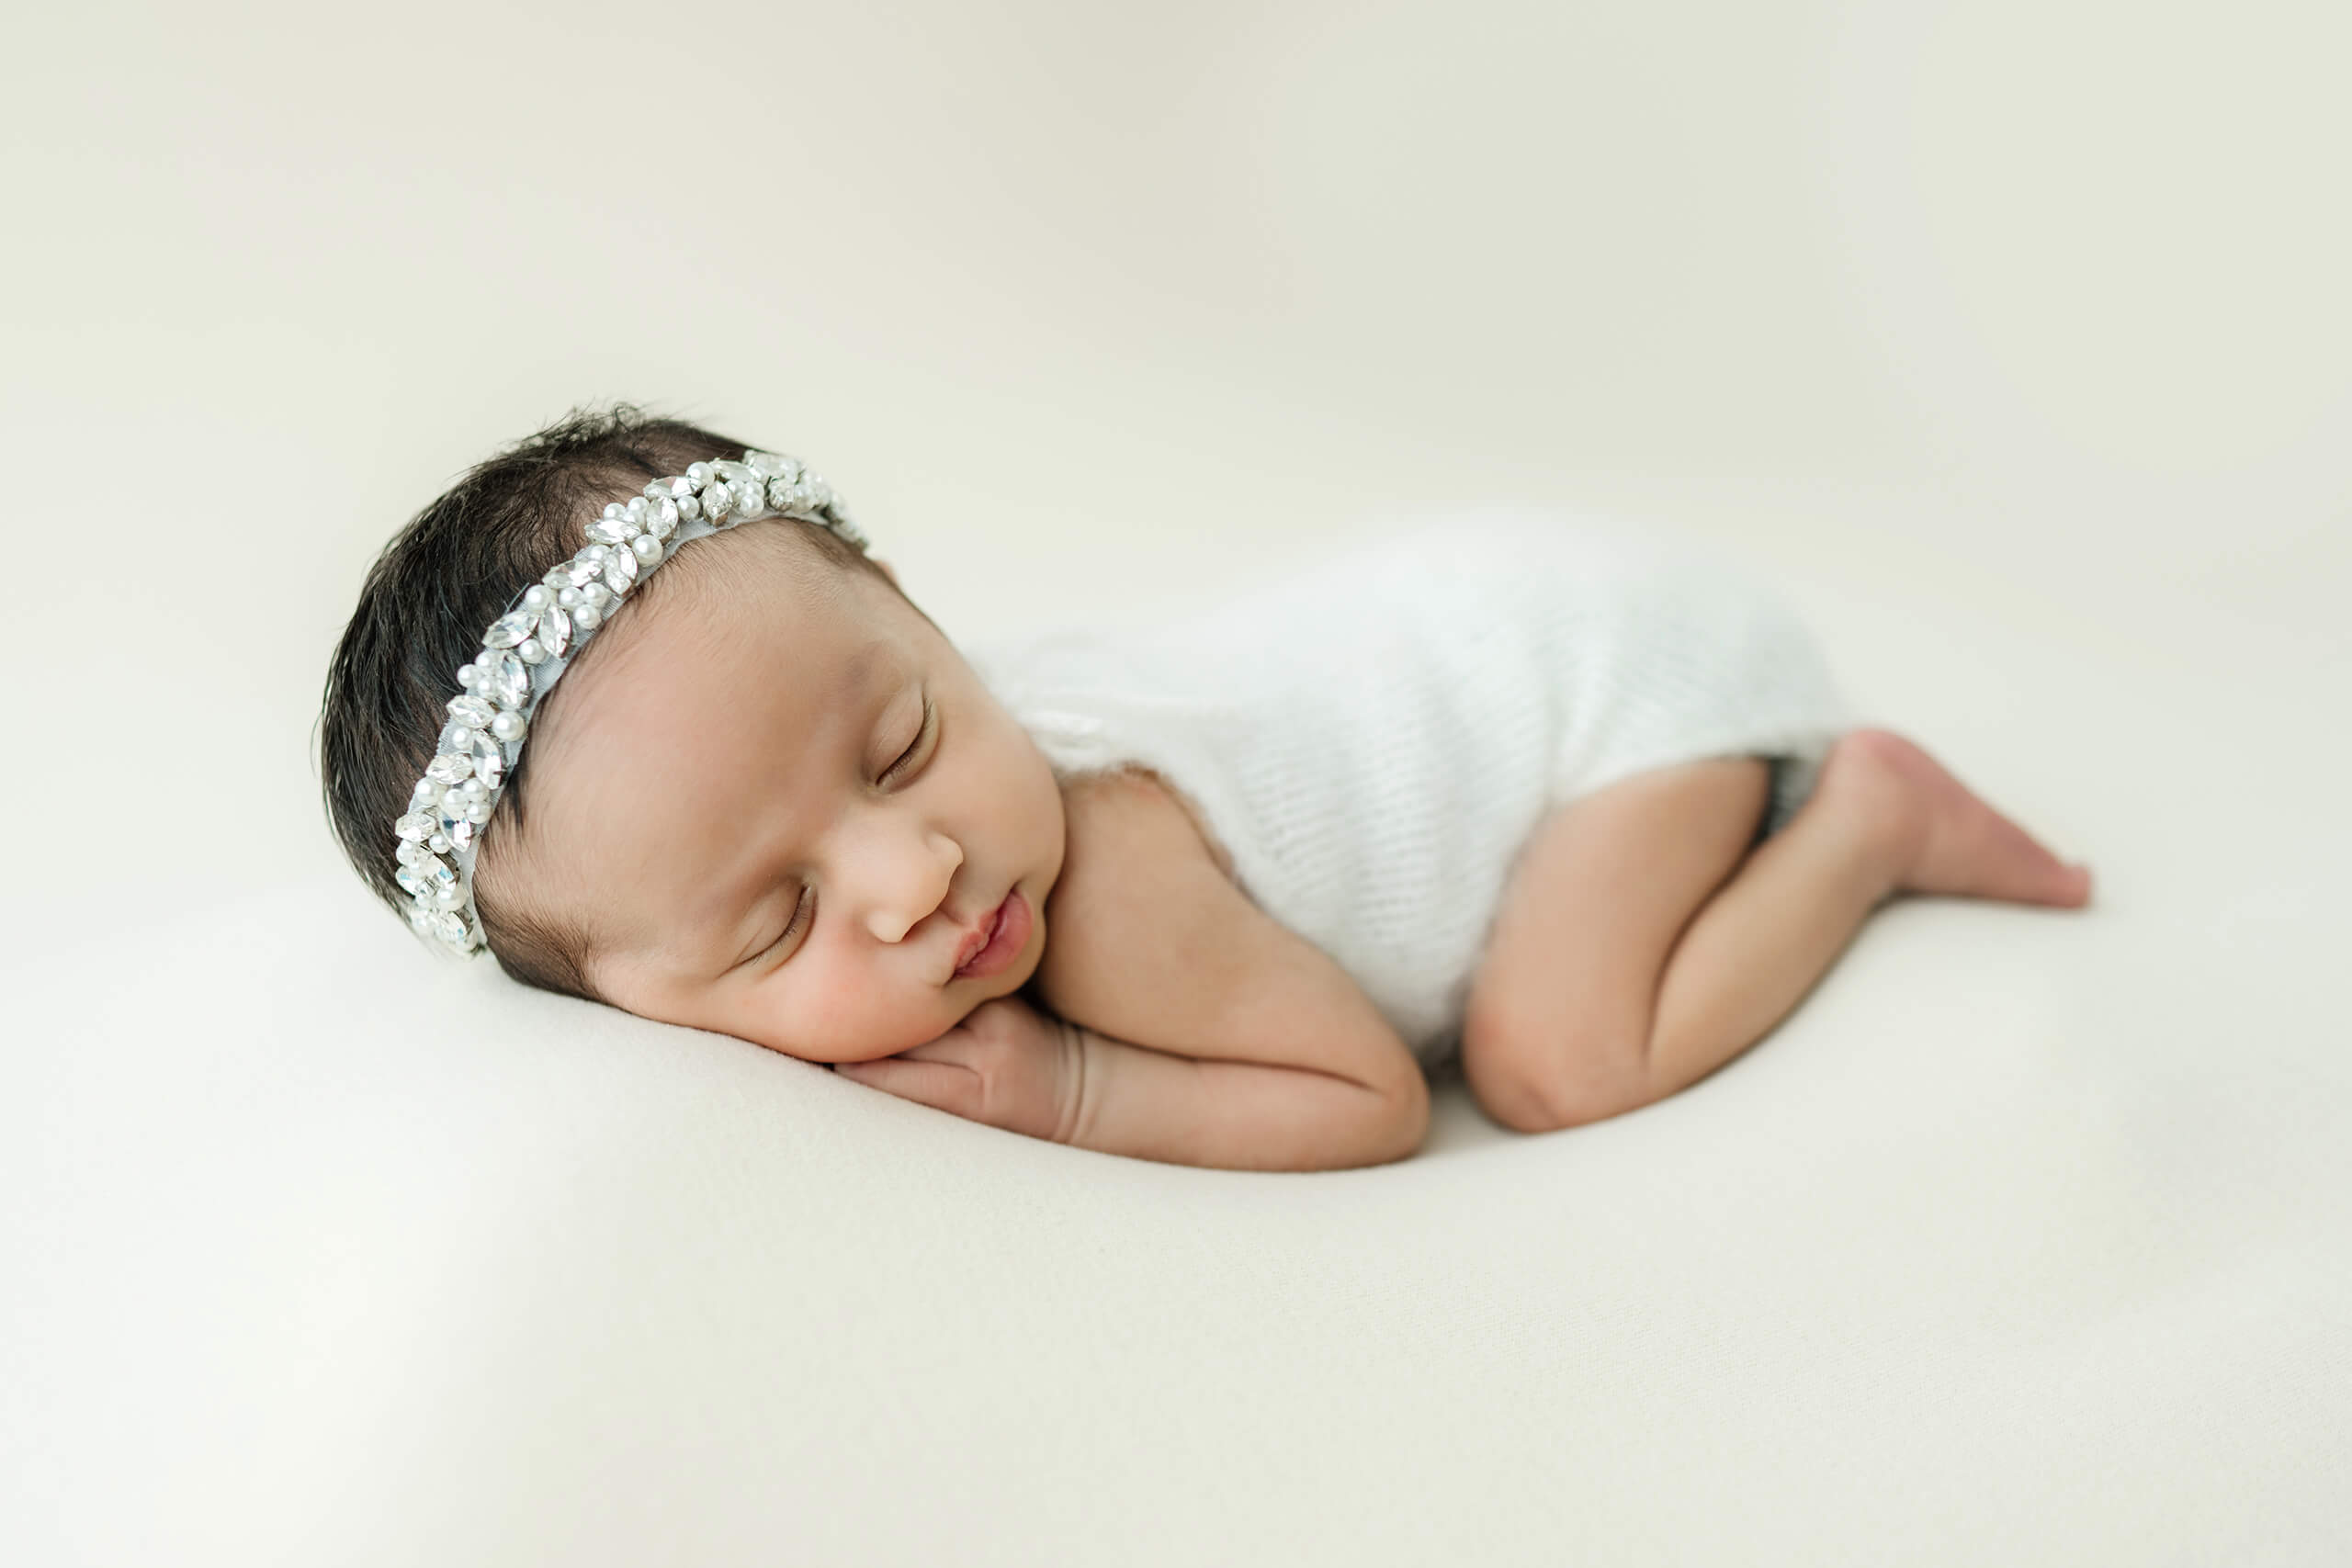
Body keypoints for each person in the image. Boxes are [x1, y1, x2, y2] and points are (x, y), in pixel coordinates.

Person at [319, 407, 2093, 1172]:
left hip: (1601, 691)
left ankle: (1871, 816)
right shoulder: (892, 816)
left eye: (909, 740)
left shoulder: (1107, 875)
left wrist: (1079, 1091)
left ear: (933, 626)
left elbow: (1375, 1099)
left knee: (1561, 1064)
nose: (918, 868)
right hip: (1482, 596)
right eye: (781, 917)